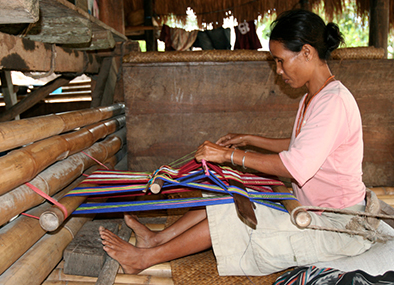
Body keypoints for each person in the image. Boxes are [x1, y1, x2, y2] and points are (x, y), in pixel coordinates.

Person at [99, 9, 375, 276]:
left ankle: (143, 259)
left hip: (337, 226)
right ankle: (157, 240)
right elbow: (300, 145)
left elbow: (295, 166)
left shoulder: (334, 101)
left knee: (235, 210)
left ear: (306, 52)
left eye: (280, 60)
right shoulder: (312, 98)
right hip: (309, 209)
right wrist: (248, 140)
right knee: (230, 190)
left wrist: (229, 156)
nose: (278, 71)